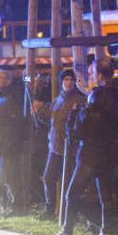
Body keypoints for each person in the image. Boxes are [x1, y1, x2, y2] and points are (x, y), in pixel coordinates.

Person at [52, 67, 118, 235]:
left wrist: (73, 115)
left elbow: (75, 133)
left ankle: (68, 230)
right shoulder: (112, 113)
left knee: (72, 193)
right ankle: (107, 228)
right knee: (105, 195)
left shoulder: (87, 114)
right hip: (107, 157)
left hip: (88, 157)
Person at [42, 68, 86, 215]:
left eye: (71, 80)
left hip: (70, 149)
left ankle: (70, 213)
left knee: (69, 183)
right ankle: (50, 209)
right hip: (55, 147)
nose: (69, 83)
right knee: (48, 178)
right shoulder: (57, 100)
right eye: (66, 79)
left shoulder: (79, 100)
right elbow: (51, 121)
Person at [0, 69, 27, 214]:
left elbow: (15, 126)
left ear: (7, 81)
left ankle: (16, 207)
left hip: (6, 148)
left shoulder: (10, 98)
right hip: (0, 148)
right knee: (5, 178)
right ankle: (10, 205)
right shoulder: (0, 98)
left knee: (11, 178)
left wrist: (7, 144)